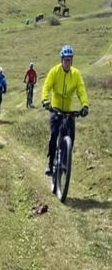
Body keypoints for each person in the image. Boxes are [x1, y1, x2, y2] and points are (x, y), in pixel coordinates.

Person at [41, 45, 89, 176]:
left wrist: (85, 105)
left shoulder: (76, 74)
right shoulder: (54, 71)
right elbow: (46, 86)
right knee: (54, 135)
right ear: (61, 60)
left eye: (70, 60)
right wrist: (45, 100)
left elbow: (81, 90)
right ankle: (50, 164)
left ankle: (64, 161)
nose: (68, 62)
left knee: (71, 136)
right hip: (55, 108)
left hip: (69, 110)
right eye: (66, 60)